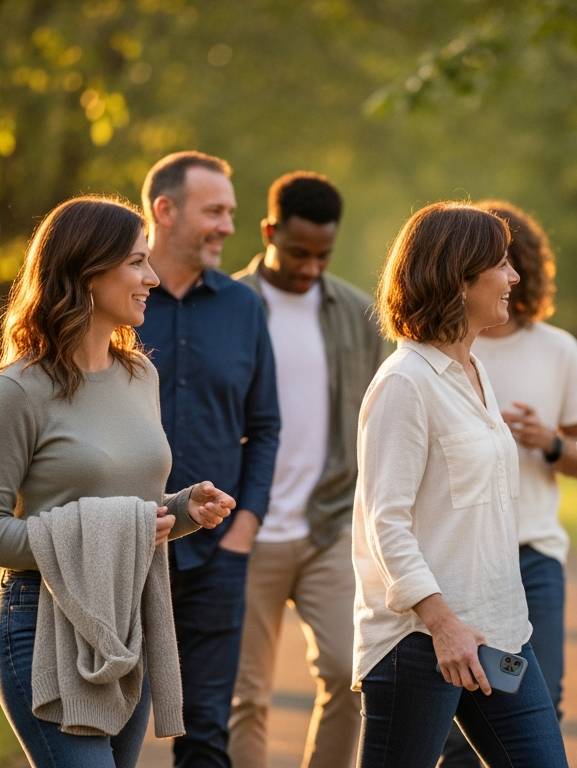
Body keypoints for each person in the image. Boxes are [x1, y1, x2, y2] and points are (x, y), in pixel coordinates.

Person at [0, 195, 236, 768]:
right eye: (137, 263)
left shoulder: (140, 375)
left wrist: (183, 509)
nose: (152, 278)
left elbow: (130, 511)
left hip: (127, 622)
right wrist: (114, 529)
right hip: (44, 624)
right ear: (88, 271)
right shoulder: (17, 391)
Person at [354, 201, 569, 768]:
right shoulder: (405, 382)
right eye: (500, 265)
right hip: (422, 641)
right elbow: (386, 523)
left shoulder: (472, 371)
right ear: (459, 278)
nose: (514, 277)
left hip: (500, 633)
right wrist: (444, 625)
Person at [229, 172, 388, 768]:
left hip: (329, 528)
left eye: (324, 255)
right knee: (245, 694)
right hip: (246, 527)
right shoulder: (227, 304)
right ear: (269, 231)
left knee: (353, 674)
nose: (311, 267)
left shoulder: (358, 314)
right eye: (298, 252)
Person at [136, 152, 283, 768]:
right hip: (124, 546)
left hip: (216, 557)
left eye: (231, 212)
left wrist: (244, 527)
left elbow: (266, 426)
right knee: (107, 726)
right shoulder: (115, 302)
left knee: (206, 735)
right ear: (164, 211)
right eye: (214, 211)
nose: (228, 226)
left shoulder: (245, 308)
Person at [440, 201, 577, 767]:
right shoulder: (444, 351)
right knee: (458, 718)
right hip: (460, 557)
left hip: (532, 555)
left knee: (539, 702)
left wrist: (547, 440)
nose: (509, 275)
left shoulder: (559, 350)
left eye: (510, 260)